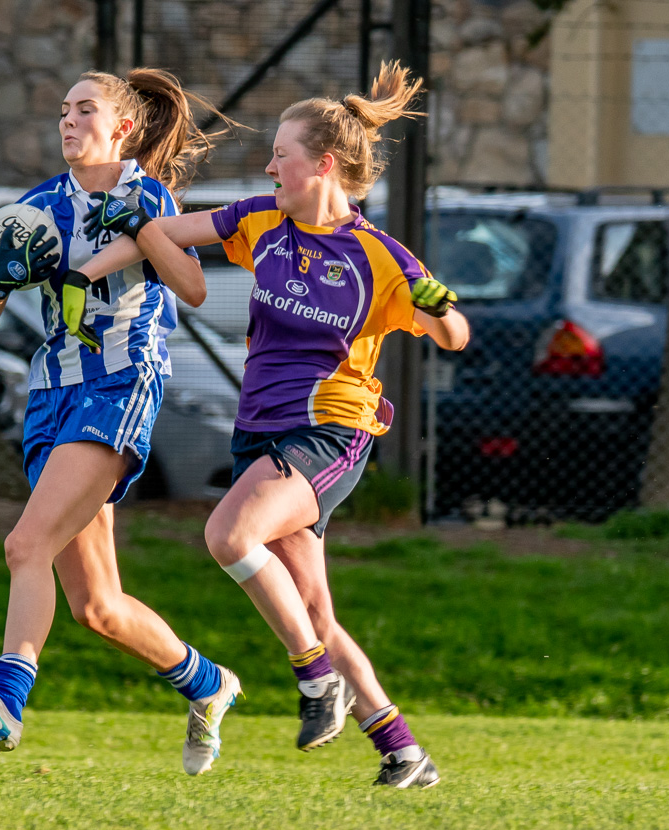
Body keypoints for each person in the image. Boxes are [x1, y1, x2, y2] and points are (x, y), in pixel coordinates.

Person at [76, 62, 468, 789]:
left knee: (228, 533)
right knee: (314, 606)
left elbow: (454, 334)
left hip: (328, 432)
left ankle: (317, 681)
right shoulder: (262, 221)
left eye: (281, 154)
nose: (269, 166)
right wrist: (89, 267)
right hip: (260, 431)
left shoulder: (380, 257)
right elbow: (162, 234)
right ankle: (403, 747)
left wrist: (437, 299)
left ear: (322, 164)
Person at [0, 68, 245, 776]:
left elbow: (192, 288)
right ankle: (209, 682)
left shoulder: (147, 196)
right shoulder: (35, 208)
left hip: (119, 386)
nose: (68, 120)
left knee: (24, 543)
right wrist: (1, 280)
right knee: (97, 607)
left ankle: (7, 704)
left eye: (85, 109)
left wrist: (143, 230)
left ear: (124, 127)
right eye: (63, 109)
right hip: (54, 399)